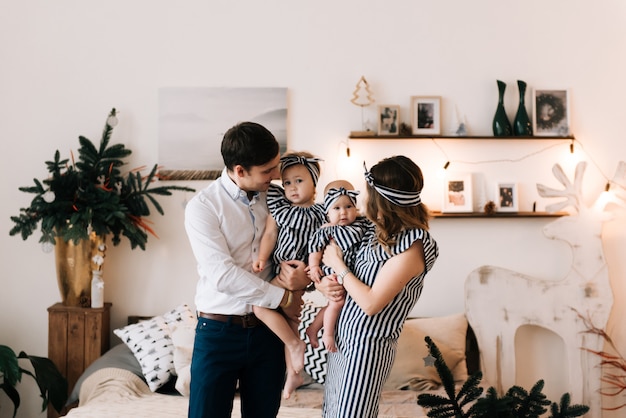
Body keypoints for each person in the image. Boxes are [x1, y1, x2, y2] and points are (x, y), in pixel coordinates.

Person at [184, 122, 311, 418]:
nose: (277, 176)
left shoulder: (280, 199)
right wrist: (283, 299)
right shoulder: (203, 207)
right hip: (218, 333)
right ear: (240, 170)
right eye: (268, 170)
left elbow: (301, 244)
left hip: (269, 334)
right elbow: (223, 275)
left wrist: (303, 278)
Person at [317, 155, 439, 418]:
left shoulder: (414, 244)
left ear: (381, 197)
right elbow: (343, 272)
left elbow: (371, 304)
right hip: (343, 340)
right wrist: (327, 284)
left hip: (367, 347)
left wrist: (338, 266)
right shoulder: (374, 231)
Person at [251, 151, 327, 399]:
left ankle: (296, 349)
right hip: (282, 273)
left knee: (259, 306)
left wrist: (314, 272)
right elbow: (270, 234)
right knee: (291, 322)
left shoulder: (322, 213)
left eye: (299, 181)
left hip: (300, 273)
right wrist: (262, 258)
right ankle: (294, 373)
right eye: (287, 182)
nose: (292, 188)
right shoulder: (280, 208)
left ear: (314, 182)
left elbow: (327, 245)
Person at [306, 179, 369, 353]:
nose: (343, 212)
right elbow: (315, 250)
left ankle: (313, 328)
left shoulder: (362, 225)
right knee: (337, 302)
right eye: (336, 208)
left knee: (333, 304)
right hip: (333, 272)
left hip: (350, 273)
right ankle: (327, 334)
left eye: (348, 206)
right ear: (327, 212)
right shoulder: (327, 230)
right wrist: (313, 267)